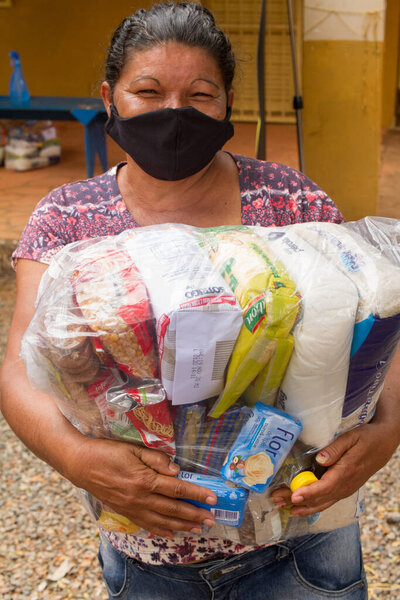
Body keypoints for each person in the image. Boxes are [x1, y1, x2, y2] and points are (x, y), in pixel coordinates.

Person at [1, 3, 399, 599]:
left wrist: (388, 430)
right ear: (109, 98)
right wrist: (76, 458)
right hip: (149, 552)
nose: (174, 114)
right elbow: (19, 365)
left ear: (228, 103)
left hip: (300, 540)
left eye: (201, 95)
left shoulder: (291, 201)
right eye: (148, 90)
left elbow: (375, 324)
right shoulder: (69, 217)